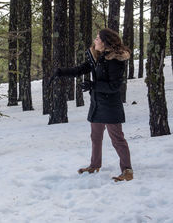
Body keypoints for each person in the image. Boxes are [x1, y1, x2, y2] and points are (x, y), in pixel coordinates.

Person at [51, 28, 133, 182]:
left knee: (117, 139)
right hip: (97, 104)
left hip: (110, 106)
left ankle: (127, 170)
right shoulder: (98, 57)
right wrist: (60, 72)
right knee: (95, 137)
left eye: (97, 38)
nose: (95, 40)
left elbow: (114, 86)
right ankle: (94, 165)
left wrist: (93, 85)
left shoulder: (115, 61)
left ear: (105, 42)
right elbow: (79, 69)